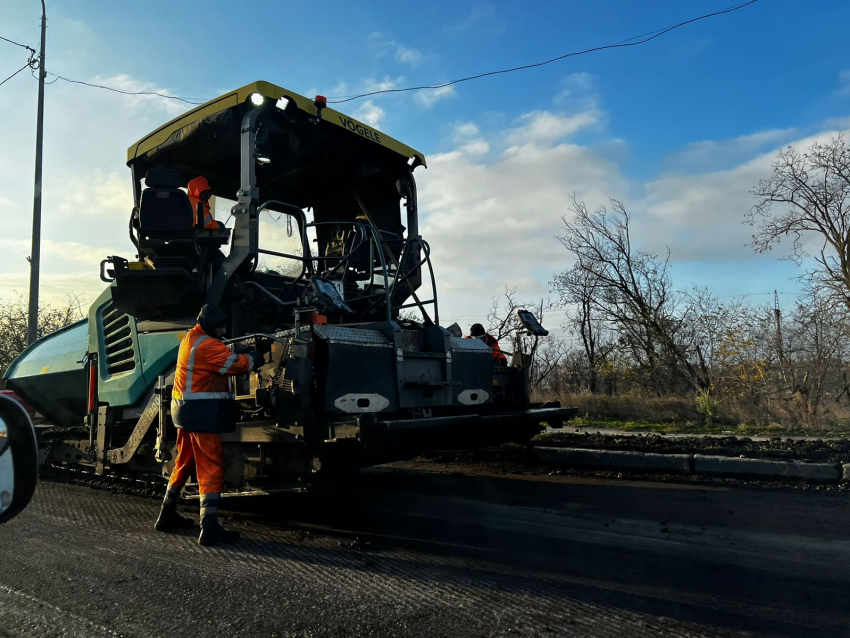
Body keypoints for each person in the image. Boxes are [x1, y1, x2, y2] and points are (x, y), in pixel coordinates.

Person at [154, 304, 271, 546]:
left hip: (186, 413)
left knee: (184, 462)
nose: (225, 330)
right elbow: (240, 366)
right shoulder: (207, 345)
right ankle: (209, 527)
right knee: (211, 465)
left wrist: (238, 349)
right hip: (201, 415)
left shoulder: (193, 337)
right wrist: (257, 354)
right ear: (210, 326)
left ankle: (166, 515)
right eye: (221, 326)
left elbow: (222, 355)